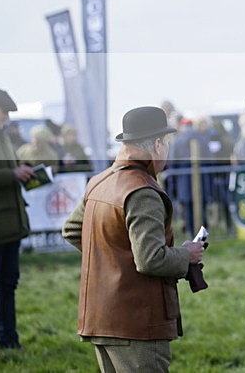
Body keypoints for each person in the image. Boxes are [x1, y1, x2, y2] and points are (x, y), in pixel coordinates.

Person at [62, 106, 206, 373]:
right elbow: (151, 259)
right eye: (166, 143)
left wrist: (114, 258)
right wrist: (187, 254)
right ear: (157, 144)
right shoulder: (142, 191)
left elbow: (72, 230)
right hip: (137, 321)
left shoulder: (99, 181)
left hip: (101, 318)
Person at [0, 88, 33, 353]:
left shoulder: (4, 136)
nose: (6, 117)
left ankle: (9, 341)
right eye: (4, 111)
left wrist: (25, 172)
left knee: (8, 286)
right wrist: (13, 174)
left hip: (11, 225)